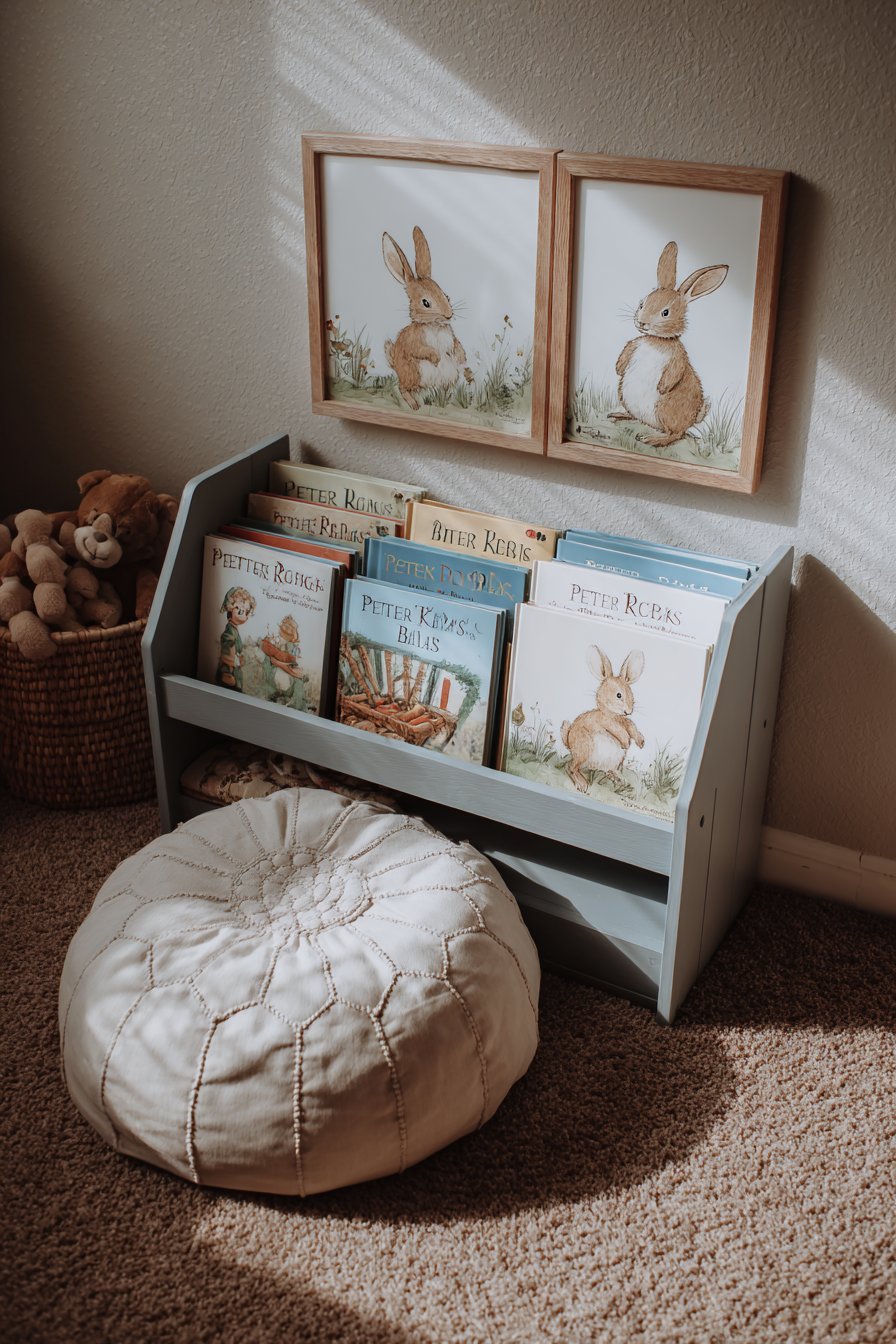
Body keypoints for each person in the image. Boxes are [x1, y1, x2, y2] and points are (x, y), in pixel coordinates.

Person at [216, 586, 255, 691]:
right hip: (229, 675)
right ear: (230, 607)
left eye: (246, 611)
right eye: (239, 608)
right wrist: (227, 671)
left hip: (235, 673)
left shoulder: (235, 630)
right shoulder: (230, 631)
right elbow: (227, 649)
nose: (243, 614)